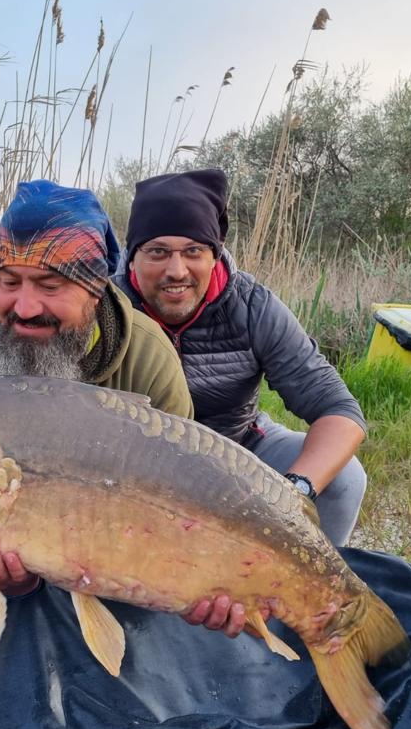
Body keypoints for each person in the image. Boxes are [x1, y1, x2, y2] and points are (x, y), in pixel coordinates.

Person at [0, 178, 202, 603]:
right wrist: (4, 577)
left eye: (50, 286)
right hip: (6, 533)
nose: (25, 308)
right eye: (9, 282)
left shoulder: (149, 356)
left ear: (95, 292)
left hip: (119, 543)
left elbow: (184, 496)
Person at [114, 168, 368, 551]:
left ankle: (307, 581)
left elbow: (339, 411)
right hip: (133, 465)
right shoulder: (105, 308)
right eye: (157, 252)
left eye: (193, 251)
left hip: (238, 448)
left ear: (214, 255)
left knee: (345, 478)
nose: (176, 271)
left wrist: (293, 493)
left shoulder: (252, 306)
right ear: (133, 257)